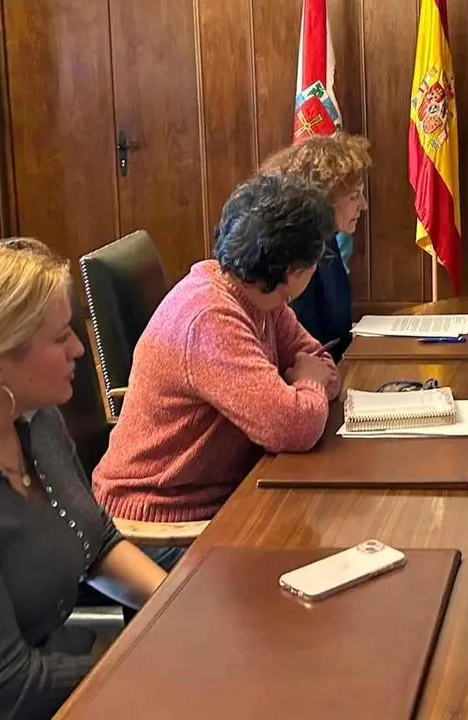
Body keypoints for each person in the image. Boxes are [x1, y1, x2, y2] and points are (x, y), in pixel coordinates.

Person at [0, 238, 166, 718]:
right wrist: (156, 659)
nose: (79, 348)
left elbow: (94, 538)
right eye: (60, 337)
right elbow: (2, 688)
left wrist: (176, 607)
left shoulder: (32, 415)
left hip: (64, 672)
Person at [93, 175, 341, 566]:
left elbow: (321, 362)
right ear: (294, 270)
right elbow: (292, 426)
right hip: (162, 521)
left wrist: (305, 385)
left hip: (221, 496)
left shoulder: (260, 296)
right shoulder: (211, 316)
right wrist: (305, 383)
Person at [260, 132, 373, 360]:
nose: (364, 205)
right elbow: (300, 352)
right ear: (323, 199)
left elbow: (335, 332)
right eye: (354, 196)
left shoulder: (326, 239)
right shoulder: (294, 254)